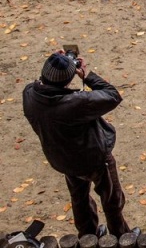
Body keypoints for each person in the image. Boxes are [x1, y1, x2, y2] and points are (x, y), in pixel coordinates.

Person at [23, 50, 138, 238]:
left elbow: (44, 84)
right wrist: (87, 76)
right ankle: (121, 236)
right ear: (68, 81)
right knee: (111, 198)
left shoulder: (29, 94)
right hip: (94, 159)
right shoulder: (75, 103)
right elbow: (112, 95)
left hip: (63, 159)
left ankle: (88, 236)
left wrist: (56, 63)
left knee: (79, 199)